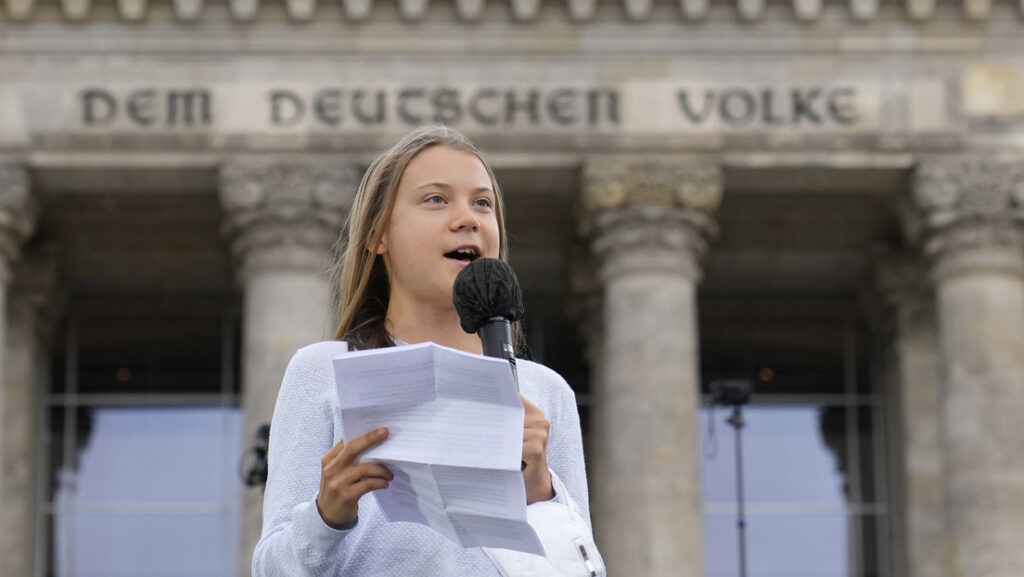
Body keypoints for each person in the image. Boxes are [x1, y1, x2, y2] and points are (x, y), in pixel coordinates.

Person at [252, 126, 605, 577]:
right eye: (436, 199)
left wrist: (538, 490)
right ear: (378, 236)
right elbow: (271, 571)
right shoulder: (324, 370)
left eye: (482, 203)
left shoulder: (544, 391)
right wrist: (327, 515)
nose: (467, 219)